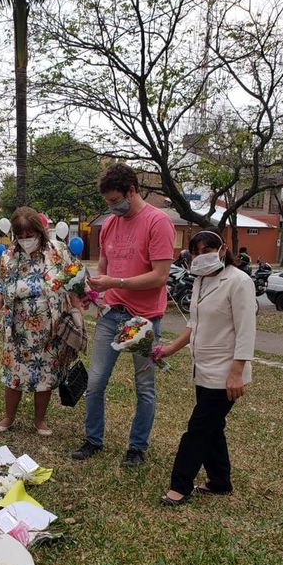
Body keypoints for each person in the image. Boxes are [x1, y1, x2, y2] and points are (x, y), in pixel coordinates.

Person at [71, 163, 175, 466]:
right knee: (95, 383)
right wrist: (95, 293)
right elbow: (104, 266)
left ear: (132, 190)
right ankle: (93, 440)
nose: (112, 207)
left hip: (144, 320)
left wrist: (116, 282)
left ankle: (137, 447)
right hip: (111, 314)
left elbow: (159, 276)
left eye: (116, 200)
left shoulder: (158, 222)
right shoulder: (111, 225)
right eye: (108, 202)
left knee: (144, 387)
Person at [159, 230, 256, 505]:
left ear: (223, 249)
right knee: (213, 426)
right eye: (197, 251)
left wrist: (237, 373)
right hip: (202, 368)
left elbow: (246, 330)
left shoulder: (239, 282)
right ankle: (220, 481)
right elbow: (195, 324)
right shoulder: (200, 281)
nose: (202, 256)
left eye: (208, 249)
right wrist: (170, 349)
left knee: (198, 428)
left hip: (226, 372)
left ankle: (180, 486)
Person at [0, 206, 81, 436]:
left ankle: (40, 421)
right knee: (13, 375)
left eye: (31, 235)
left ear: (40, 231)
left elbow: (73, 282)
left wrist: (77, 311)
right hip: (17, 329)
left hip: (50, 329)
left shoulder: (58, 251)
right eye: (21, 236)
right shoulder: (8, 257)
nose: (26, 240)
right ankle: (8, 417)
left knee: (45, 375)